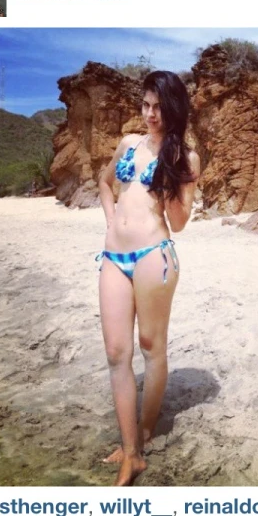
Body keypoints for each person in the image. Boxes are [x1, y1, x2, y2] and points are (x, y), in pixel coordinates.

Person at [97, 70, 200, 486]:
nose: (150, 114)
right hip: (113, 257)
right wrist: (109, 222)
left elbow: (178, 222)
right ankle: (131, 450)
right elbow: (105, 183)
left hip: (154, 256)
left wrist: (173, 178)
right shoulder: (128, 144)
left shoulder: (186, 158)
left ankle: (141, 436)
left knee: (149, 347)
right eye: (145, 105)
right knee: (116, 352)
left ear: (173, 108)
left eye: (158, 107)